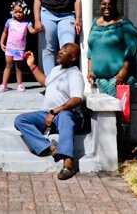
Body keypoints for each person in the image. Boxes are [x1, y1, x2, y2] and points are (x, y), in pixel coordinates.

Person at [14, 43, 84, 181]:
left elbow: (77, 99)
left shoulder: (75, 74)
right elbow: (45, 81)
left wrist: (55, 111)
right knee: (20, 120)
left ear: (73, 57)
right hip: (47, 114)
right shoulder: (56, 70)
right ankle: (51, 147)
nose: (60, 52)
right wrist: (32, 65)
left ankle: (69, 163)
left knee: (64, 115)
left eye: (65, 51)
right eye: (60, 49)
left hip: (68, 116)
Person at [87, 0, 137, 96]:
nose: (106, 7)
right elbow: (91, 49)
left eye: (110, 4)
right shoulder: (95, 24)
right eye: (103, 4)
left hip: (121, 77)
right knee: (106, 105)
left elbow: (132, 49)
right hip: (101, 78)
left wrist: (124, 70)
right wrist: (90, 71)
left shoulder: (124, 25)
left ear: (115, 5)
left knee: (115, 100)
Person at [0, 0, 37, 92]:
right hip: (10, 48)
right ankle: (4, 85)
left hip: (20, 49)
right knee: (8, 66)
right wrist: (1, 42)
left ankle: (19, 84)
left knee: (19, 67)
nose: (18, 14)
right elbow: (5, 33)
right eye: (16, 12)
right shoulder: (9, 22)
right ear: (12, 12)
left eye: (20, 12)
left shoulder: (27, 23)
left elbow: (31, 31)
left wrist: (38, 29)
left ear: (25, 12)